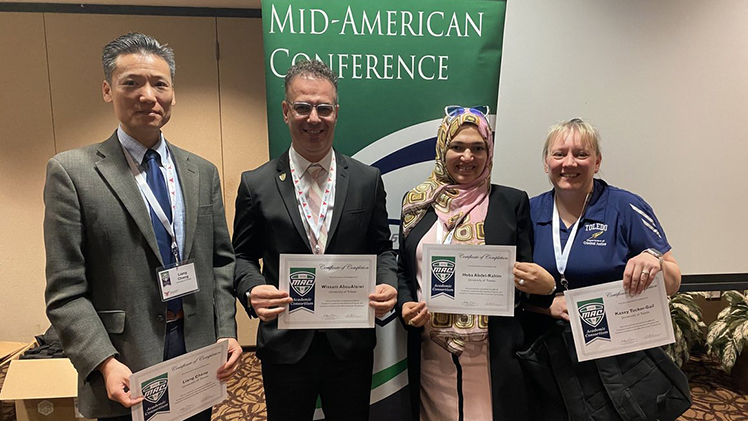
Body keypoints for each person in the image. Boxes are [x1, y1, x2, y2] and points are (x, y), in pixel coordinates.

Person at [43, 33, 241, 421]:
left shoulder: (201, 171)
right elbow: (65, 291)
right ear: (107, 89)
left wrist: (227, 330)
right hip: (125, 361)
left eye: (159, 84)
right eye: (131, 82)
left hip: (197, 353)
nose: (147, 95)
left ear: (172, 92)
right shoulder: (72, 173)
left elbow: (221, 262)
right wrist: (103, 361)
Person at [232, 60, 398, 421]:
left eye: (324, 108)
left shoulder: (367, 180)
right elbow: (241, 256)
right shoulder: (255, 184)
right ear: (286, 111)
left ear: (336, 113)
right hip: (286, 345)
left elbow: (382, 247)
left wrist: (387, 282)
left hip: (349, 346)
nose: (314, 118)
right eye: (303, 107)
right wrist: (251, 289)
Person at [397, 107, 556, 421]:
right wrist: (405, 305)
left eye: (477, 148)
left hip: (490, 353)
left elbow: (525, 276)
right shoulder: (416, 202)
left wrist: (542, 286)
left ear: (489, 151)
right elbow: (404, 269)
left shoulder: (510, 202)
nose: (467, 157)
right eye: (457, 147)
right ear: (443, 149)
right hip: (432, 352)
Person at [522, 118, 684, 419]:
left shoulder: (625, 206)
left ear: (597, 162)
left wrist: (656, 262)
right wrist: (549, 304)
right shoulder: (528, 212)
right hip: (548, 356)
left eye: (581, 154)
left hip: (617, 358)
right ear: (546, 162)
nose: (569, 162)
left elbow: (673, 282)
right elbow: (513, 289)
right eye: (559, 154)